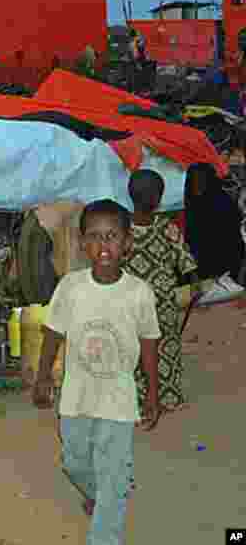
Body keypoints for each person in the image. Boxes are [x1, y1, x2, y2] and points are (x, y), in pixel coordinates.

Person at [34, 199, 161, 545]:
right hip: (76, 398)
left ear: (127, 243)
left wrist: (152, 394)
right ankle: (101, 495)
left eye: (112, 236)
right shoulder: (71, 288)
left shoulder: (139, 294)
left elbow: (150, 343)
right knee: (75, 463)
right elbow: (53, 333)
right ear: (81, 242)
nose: (103, 245)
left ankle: (106, 521)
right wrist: (43, 375)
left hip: (118, 402)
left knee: (115, 477)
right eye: (94, 237)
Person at [123, 169, 198, 413]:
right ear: (159, 198)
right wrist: (194, 284)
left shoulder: (120, 230)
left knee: (131, 351)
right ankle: (167, 398)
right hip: (163, 302)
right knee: (166, 349)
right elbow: (186, 260)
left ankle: (136, 400)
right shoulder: (166, 227)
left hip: (129, 303)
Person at [184, 163, 245, 282]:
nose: (197, 185)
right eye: (195, 181)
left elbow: (231, 236)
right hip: (203, 263)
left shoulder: (221, 201)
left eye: (201, 180)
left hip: (224, 261)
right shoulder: (193, 201)